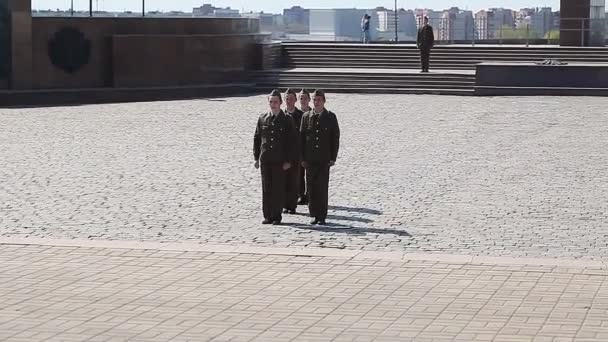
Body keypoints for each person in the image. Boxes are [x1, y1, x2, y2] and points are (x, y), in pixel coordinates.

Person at [253, 89, 298, 225]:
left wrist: (289, 161)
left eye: (276, 102)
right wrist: (256, 157)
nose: (273, 104)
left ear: (280, 103)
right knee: (266, 188)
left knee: (278, 188)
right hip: (266, 158)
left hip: (279, 160)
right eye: (271, 102)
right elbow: (257, 138)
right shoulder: (263, 118)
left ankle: (276, 216)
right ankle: (267, 215)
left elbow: (292, 142)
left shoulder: (286, 120)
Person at [300, 90, 340, 225]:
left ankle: (321, 215)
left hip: (324, 159)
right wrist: (302, 158)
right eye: (314, 100)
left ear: (324, 101)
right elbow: (301, 139)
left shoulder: (330, 117)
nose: (316, 103)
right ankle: (313, 214)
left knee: (322, 188)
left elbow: (335, 138)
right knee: (311, 188)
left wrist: (333, 157)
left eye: (319, 100)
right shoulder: (306, 116)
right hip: (310, 159)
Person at [283, 88, 304, 214]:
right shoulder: (280, 115)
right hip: (283, 153)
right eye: (287, 99)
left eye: (291, 99)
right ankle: (285, 203)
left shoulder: (301, 116)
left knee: (295, 179)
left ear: (295, 100)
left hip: (296, 153)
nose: (289, 101)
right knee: (284, 180)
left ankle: (293, 204)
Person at [297, 89, 312, 205]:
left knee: (310, 174)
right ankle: (301, 194)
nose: (303, 100)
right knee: (299, 174)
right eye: (301, 98)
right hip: (299, 147)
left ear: (309, 99)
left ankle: (310, 194)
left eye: (305, 98)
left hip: (311, 148)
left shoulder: (313, 113)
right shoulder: (296, 114)